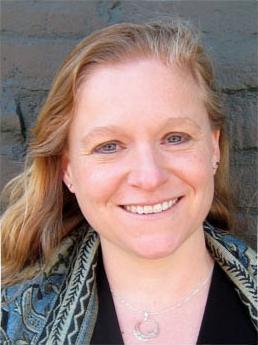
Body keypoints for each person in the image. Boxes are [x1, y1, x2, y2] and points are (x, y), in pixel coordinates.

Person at [1, 19, 257, 345]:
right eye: (109, 146)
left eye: (175, 138)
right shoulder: (9, 322)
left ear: (213, 147)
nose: (149, 178)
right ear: (68, 170)